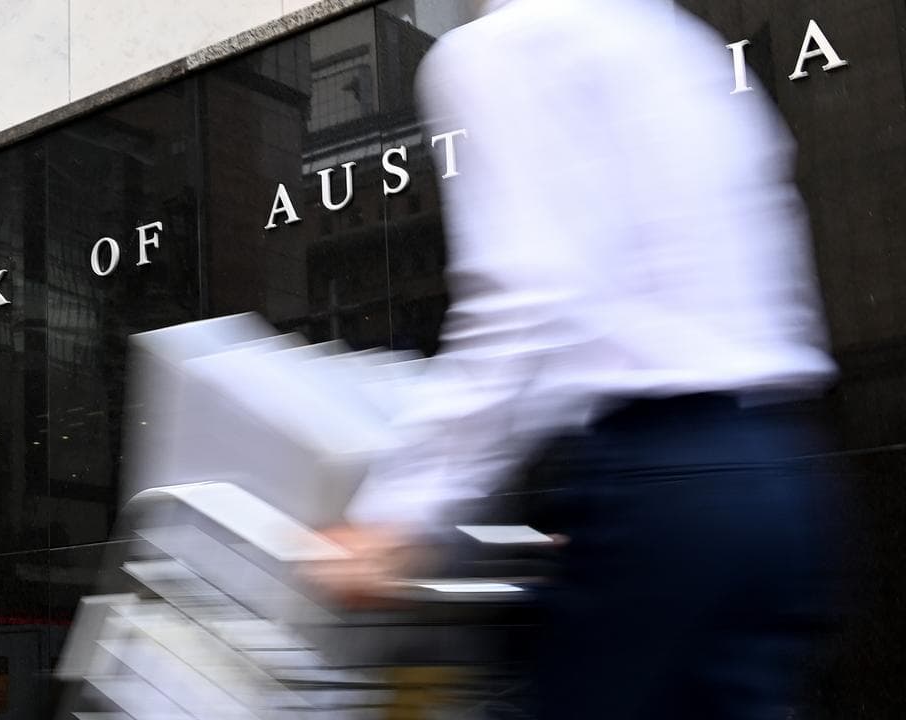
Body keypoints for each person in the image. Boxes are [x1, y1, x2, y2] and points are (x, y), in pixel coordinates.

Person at [307, 0, 841, 718]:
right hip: (773, 480)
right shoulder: (670, 34)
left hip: (660, 484)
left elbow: (529, 299)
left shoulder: (497, 48)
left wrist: (395, 515)